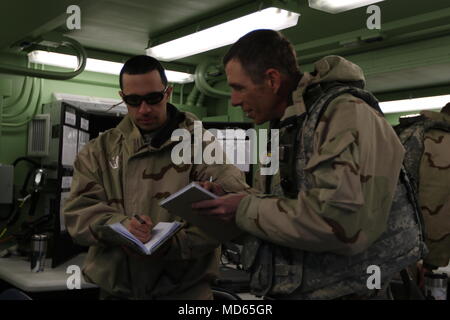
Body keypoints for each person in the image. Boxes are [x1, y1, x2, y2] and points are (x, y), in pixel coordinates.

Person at [193, 29, 426, 299]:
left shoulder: (344, 114)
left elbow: (337, 222)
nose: (234, 100)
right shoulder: (291, 124)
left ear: (272, 79)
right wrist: (234, 201)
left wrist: (243, 207)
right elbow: (288, 202)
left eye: (238, 88)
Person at [63, 55, 249, 300]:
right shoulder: (99, 151)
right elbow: (78, 214)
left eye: (153, 98)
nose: (144, 109)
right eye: (133, 101)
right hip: (118, 293)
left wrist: (173, 244)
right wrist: (121, 227)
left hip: (184, 293)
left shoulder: (201, 147)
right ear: (122, 98)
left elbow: (232, 211)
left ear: (168, 92)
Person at [395, 103, 450, 286]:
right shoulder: (441, 141)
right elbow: (434, 205)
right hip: (409, 252)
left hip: (390, 242)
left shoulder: (416, 131)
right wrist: (430, 262)